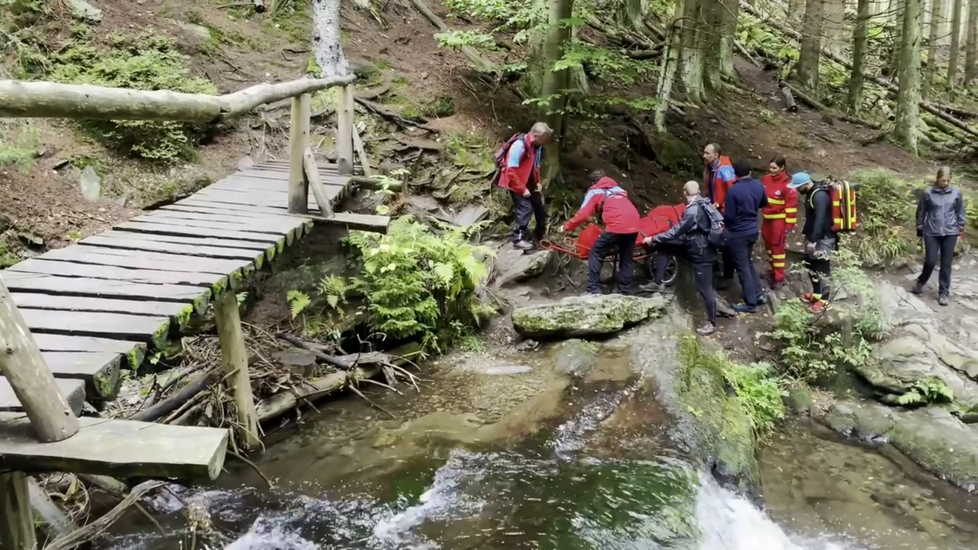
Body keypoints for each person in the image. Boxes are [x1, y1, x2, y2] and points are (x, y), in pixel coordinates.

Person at [644, 181, 719, 336]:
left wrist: (654, 238)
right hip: (697, 245)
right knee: (665, 246)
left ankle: (711, 322)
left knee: (705, 289)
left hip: (700, 253)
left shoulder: (692, 210)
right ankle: (658, 283)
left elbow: (677, 231)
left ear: (685, 192)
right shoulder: (704, 202)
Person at [563, 171, 642, 295]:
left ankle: (593, 289)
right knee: (626, 258)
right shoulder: (620, 190)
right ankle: (624, 291)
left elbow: (582, 215)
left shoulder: (594, 191)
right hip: (634, 223)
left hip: (617, 224)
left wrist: (566, 227)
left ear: (593, 182)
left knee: (596, 253)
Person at [912, 166, 966, 306]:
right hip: (932, 231)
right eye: (943, 180)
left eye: (948, 180)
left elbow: (960, 212)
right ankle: (921, 282)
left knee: (946, 264)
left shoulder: (956, 193)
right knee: (930, 261)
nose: (946, 183)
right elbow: (921, 212)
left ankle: (944, 292)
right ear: (937, 179)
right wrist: (919, 227)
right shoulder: (928, 192)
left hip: (950, 232)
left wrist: (960, 227)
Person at [724, 159, 768, 313]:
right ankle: (759, 294)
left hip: (738, 233)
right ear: (750, 171)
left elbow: (729, 216)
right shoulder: (758, 185)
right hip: (752, 230)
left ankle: (750, 303)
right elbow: (764, 203)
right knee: (748, 264)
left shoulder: (733, 191)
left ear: (735, 173)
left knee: (742, 267)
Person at [499, 122, 553, 250]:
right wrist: (522, 189)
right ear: (536, 135)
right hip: (514, 181)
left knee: (539, 208)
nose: (544, 142)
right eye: (543, 139)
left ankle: (539, 235)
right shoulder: (519, 145)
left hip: (528, 181)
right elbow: (510, 170)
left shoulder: (537, 147)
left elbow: (536, 166)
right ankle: (518, 239)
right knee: (525, 208)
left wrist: (537, 182)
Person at [787, 172, 834, 313]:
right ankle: (816, 294)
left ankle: (824, 300)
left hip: (824, 237)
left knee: (823, 266)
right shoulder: (810, 193)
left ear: (806, 184)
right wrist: (807, 235)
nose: (796, 189)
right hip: (813, 235)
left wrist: (813, 240)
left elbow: (820, 219)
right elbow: (811, 218)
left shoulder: (819, 196)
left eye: (798, 187)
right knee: (811, 263)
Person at [760, 156, 798, 289]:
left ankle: (779, 277)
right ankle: (772, 270)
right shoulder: (766, 179)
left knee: (777, 248)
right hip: (767, 218)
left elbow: (791, 207)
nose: (771, 170)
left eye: (774, 168)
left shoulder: (788, 184)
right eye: (770, 167)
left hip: (779, 220)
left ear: (782, 168)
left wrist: (788, 226)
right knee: (768, 245)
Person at [702, 143, 737, 285]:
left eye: (707, 153)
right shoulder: (710, 168)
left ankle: (728, 276)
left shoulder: (725, 170)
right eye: (704, 152)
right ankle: (714, 266)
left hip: (724, 212)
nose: (704, 156)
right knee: (711, 237)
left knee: (726, 243)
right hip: (713, 210)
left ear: (716, 155)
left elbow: (733, 191)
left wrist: (721, 204)